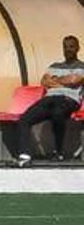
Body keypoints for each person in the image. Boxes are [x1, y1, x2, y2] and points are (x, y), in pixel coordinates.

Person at [15, 35, 83, 166]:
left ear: (78, 48)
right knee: (24, 118)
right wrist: (65, 80)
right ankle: (24, 154)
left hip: (68, 99)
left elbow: (75, 80)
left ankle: (58, 152)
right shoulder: (54, 65)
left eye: (71, 47)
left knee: (57, 113)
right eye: (66, 47)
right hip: (49, 99)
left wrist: (56, 80)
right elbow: (44, 82)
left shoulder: (81, 66)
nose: (68, 49)